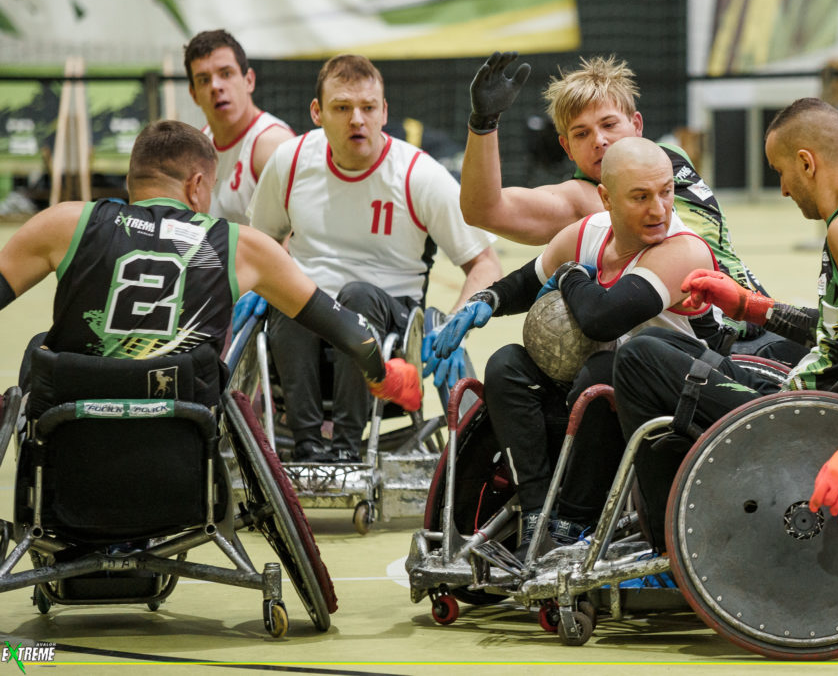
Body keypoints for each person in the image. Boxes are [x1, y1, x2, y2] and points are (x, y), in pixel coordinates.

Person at [613, 98, 838, 550]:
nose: (782, 189)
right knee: (667, 343)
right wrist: (751, 307)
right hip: (814, 403)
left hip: (808, 424)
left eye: (781, 172)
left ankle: (671, 545)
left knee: (639, 357)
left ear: (806, 163)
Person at [0, 120, 421, 432]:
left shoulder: (64, 222)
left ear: (131, 182)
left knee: (40, 348)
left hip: (71, 447)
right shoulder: (243, 246)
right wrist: (386, 377)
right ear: (198, 184)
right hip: (179, 450)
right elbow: (352, 334)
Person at [430, 137, 719, 558]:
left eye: (666, 192)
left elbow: (603, 317)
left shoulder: (683, 249)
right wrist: (484, 301)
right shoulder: (589, 233)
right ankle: (535, 514)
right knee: (507, 365)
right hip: (599, 400)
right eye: (640, 197)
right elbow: (526, 282)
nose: (659, 209)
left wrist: (568, 274)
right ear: (606, 198)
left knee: (604, 370)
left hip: (670, 407)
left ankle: (573, 520)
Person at [459, 52, 804, 364]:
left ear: (636, 125)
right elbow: (484, 210)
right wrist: (484, 124)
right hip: (715, 348)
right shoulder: (583, 198)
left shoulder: (671, 158)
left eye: (609, 125)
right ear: (566, 147)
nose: (599, 140)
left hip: (761, 317)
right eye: (581, 134)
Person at [248, 54, 501, 463]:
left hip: (392, 331)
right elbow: (258, 245)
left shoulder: (419, 174)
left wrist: (455, 323)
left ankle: (347, 449)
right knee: (288, 297)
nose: (356, 120)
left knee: (358, 297)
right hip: (306, 323)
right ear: (317, 112)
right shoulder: (290, 162)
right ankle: (309, 446)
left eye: (368, 108)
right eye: (342, 108)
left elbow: (485, 264)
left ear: (384, 112)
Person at [184, 29, 294, 226]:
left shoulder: (273, 144)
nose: (216, 86)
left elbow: (293, 238)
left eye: (226, 74)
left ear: (249, 81)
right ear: (193, 94)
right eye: (203, 80)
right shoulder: (199, 144)